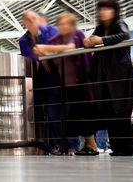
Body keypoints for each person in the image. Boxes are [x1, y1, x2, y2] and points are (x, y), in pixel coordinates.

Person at [84, 0, 133, 156]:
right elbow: (89, 41)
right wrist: (89, 41)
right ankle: (118, 148)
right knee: (111, 115)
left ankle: (129, 148)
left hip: (120, 81)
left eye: (107, 8)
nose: (103, 12)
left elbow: (124, 36)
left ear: (114, 10)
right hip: (107, 82)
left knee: (122, 115)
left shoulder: (119, 24)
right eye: (101, 9)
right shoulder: (100, 27)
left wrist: (101, 40)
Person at [33, 13, 98, 155]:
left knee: (84, 114)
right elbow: (39, 50)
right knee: (72, 116)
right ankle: (75, 146)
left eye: (67, 23)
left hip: (82, 84)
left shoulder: (78, 34)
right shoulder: (55, 39)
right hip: (65, 85)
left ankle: (91, 145)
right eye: (60, 24)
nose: (63, 26)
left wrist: (46, 49)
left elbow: (70, 48)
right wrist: (44, 52)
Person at [19, 10, 58, 152]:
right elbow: (28, 57)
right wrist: (42, 56)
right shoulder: (24, 40)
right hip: (39, 79)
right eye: (28, 20)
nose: (32, 22)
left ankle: (60, 144)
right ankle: (48, 145)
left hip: (57, 76)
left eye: (34, 18)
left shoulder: (51, 31)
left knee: (55, 110)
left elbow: (58, 46)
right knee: (42, 111)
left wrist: (44, 52)